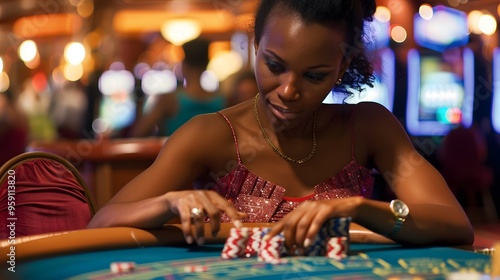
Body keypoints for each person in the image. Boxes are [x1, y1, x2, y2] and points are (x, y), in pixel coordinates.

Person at [88, 0, 473, 249]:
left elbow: (455, 225)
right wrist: (169, 201)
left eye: (315, 76)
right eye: (274, 66)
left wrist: (359, 209)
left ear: (342, 67)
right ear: (255, 46)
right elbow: (99, 226)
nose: (288, 91)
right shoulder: (210, 135)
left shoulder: (369, 127)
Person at [130, 38, 226, 137]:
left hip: (179, 152)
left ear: (184, 65)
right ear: (207, 64)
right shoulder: (222, 100)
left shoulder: (169, 99)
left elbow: (139, 133)